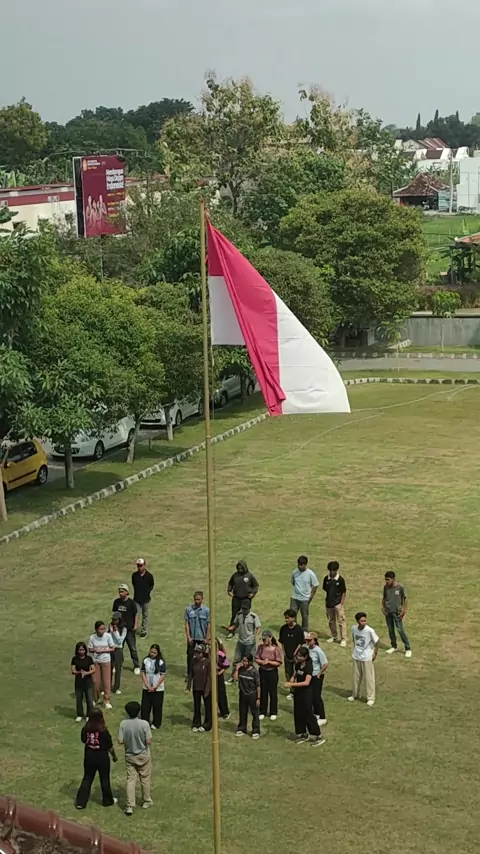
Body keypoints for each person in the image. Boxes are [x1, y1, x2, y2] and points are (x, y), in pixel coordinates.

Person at [75, 709, 117, 809]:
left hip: (89, 756)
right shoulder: (103, 731)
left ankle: (80, 802)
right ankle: (107, 801)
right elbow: (110, 746)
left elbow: (83, 740)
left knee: (87, 778)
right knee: (104, 779)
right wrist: (114, 756)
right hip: (102, 757)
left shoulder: (85, 729)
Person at [285, 646, 325, 747]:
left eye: (300, 656)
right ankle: (302, 733)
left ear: (305, 656)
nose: (298, 657)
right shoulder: (298, 664)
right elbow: (295, 673)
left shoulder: (308, 666)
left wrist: (292, 684)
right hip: (298, 692)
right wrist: (292, 679)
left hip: (306, 692)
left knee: (308, 713)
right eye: (297, 655)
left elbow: (306, 682)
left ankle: (318, 735)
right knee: (298, 712)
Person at [118, 700, 153, 816]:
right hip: (143, 755)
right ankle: (146, 801)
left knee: (131, 779)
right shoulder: (144, 724)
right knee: (145, 778)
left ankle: (129, 805)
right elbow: (149, 741)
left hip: (130, 755)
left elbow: (120, 741)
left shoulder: (123, 724)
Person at [225, 599, 261, 683]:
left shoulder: (253, 617)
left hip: (250, 643)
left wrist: (255, 635)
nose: (244, 610)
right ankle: (234, 677)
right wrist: (230, 628)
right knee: (236, 660)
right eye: (243, 608)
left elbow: (258, 627)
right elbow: (235, 625)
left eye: (245, 609)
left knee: (250, 662)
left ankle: (252, 677)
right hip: (240, 642)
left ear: (249, 608)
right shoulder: (239, 615)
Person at [348, 612, 379, 707]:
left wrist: (375, 653)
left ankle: (370, 698)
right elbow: (354, 639)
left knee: (369, 678)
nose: (364, 622)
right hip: (357, 656)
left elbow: (377, 642)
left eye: (365, 620)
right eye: (362, 621)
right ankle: (355, 694)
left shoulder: (370, 630)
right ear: (357, 621)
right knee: (356, 677)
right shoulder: (354, 628)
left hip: (367, 657)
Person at [382, 571, 412, 658]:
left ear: (393, 579)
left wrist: (404, 610)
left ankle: (408, 649)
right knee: (390, 630)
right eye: (385, 579)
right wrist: (383, 607)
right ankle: (394, 646)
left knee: (400, 630)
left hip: (397, 613)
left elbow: (405, 599)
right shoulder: (385, 587)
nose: (386, 581)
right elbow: (384, 598)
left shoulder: (400, 587)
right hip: (388, 612)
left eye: (388, 579)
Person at [112, 584, 140, 674]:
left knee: (132, 648)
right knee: (119, 648)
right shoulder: (116, 602)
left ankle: (136, 666)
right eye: (119, 591)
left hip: (129, 629)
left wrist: (135, 625)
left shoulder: (131, 603)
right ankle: (118, 664)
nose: (120, 593)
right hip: (119, 629)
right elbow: (114, 615)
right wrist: (114, 625)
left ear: (127, 592)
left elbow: (135, 614)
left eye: (122, 591)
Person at [184, 591, 210, 688]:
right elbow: (186, 623)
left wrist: (207, 637)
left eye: (198, 599)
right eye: (195, 599)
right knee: (190, 656)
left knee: (204, 656)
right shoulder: (189, 609)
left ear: (202, 599)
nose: (197, 601)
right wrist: (188, 636)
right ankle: (189, 674)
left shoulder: (206, 610)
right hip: (192, 637)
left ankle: (204, 673)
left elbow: (209, 624)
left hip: (202, 638)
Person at [226, 560, 259, 636]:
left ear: (245, 567)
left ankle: (248, 630)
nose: (240, 569)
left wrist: (253, 593)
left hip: (246, 599)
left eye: (241, 568)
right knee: (234, 615)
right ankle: (231, 631)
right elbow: (230, 583)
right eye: (239, 568)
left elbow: (256, 585)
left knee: (246, 615)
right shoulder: (235, 575)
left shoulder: (249, 576)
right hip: (236, 598)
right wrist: (229, 590)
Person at [255, 630, 283, 720]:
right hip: (262, 671)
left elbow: (279, 662)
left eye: (265, 639)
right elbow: (256, 658)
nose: (264, 641)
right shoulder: (260, 647)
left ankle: (273, 711)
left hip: (272, 672)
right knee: (263, 691)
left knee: (272, 692)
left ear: (270, 638)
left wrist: (269, 662)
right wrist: (262, 662)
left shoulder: (276, 649)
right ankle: (262, 711)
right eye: (263, 639)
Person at [279, 609, 305, 700]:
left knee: (298, 673)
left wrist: (295, 653)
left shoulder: (298, 629)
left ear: (293, 618)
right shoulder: (283, 629)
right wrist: (284, 653)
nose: (286, 620)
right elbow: (282, 642)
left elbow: (300, 643)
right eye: (285, 618)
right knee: (288, 673)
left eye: (288, 618)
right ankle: (292, 691)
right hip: (287, 655)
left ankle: (299, 690)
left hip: (296, 656)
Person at [88, 621, 115, 708]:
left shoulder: (108, 636)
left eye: (104, 629)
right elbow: (90, 649)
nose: (103, 631)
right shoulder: (92, 637)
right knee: (95, 681)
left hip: (106, 660)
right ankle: (95, 699)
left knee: (106, 681)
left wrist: (103, 651)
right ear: (96, 629)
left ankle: (106, 700)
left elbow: (112, 648)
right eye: (101, 629)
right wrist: (95, 650)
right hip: (95, 661)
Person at [234, 654, 260, 739]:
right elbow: (235, 679)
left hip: (252, 695)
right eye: (243, 661)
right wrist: (237, 669)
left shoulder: (254, 672)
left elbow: (258, 686)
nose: (244, 663)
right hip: (242, 694)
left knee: (254, 713)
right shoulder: (241, 670)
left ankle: (255, 730)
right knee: (242, 712)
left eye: (246, 661)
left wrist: (258, 698)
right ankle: (242, 728)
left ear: (250, 662)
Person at [140, 644, 166, 730]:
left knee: (157, 707)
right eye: (151, 652)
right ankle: (145, 722)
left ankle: (156, 723)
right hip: (146, 687)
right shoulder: (146, 660)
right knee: (145, 706)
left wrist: (155, 686)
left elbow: (162, 675)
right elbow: (143, 672)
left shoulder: (161, 662)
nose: (152, 654)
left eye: (154, 653)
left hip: (158, 689)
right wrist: (147, 685)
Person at [290, 555, 319, 631]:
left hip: (305, 599)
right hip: (295, 598)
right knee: (292, 615)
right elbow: (293, 582)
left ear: (305, 564)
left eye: (301, 565)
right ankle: (294, 629)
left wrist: (310, 596)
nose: (300, 566)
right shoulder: (294, 572)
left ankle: (304, 631)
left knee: (304, 616)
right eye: (299, 564)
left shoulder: (310, 574)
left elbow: (315, 585)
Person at [305, 632, 328, 725]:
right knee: (311, 696)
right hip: (310, 675)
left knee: (316, 696)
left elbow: (325, 664)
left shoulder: (318, 651)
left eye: (309, 640)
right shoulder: (307, 649)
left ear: (314, 640)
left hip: (316, 676)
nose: (308, 642)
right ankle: (316, 713)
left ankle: (322, 717)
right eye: (307, 640)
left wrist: (319, 674)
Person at [323, 560, 348, 647]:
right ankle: (334, 636)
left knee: (341, 621)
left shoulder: (340, 580)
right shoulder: (326, 579)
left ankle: (343, 639)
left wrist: (341, 603)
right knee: (331, 621)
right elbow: (325, 589)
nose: (331, 572)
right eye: (330, 570)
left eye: (333, 570)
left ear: (337, 570)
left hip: (338, 604)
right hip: (329, 603)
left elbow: (343, 592)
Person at [71, 642, 95, 722]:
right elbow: (73, 670)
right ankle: (80, 714)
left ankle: (89, 715)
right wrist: (79, 672)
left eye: (83, 650)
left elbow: (93, 669)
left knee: (89, 699)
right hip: (79, 682)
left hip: (88, 681)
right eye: (80, 650)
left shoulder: (89, 659)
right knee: (79, 699)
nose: (81, 651)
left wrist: (86, 673)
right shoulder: (75, 659)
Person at [191, 644, 212, 732]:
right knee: (196, 706)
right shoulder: (193, 661)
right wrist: (188, 685)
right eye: (196, 652)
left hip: (205, 687)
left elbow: (209, 676)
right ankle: (196, 723)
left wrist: (207, 689)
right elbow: (191, 673)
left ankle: (207, 724)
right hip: (196, 687)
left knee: (207, 707)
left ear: (202, 653)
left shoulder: (207, 662)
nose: (196, 654)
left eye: (198, 653)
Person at [132, 558, 154, 639]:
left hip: (145, 599)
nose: (139, 567)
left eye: (141, 565)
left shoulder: (149, 576)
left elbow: (151, 585)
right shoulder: (134, 575)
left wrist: (147, 592)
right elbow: (134, 584)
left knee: (145, 615)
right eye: (138, 565)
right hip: (136, 599)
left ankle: (144, 630)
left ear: (144, 565)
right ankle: (134, 628)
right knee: (135, 614)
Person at [110, 613, 126, 695]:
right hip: (110, 649)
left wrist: (115, 632)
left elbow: (120, 641)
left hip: (118, 649)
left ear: (119, 620)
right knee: (109, 669)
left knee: (118, 669)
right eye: (113, 619)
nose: (113, 621)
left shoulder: (124, 629)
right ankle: (107, 686)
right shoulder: (110, 626)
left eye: (115, 620)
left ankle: (116, 687)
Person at [216, 638, 230, 720]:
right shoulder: (208, 653)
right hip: (210, 675)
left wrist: (219, 673)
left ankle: (225, 712)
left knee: (221, 694)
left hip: (218, 676)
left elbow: (226, 665)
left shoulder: (220, 654)